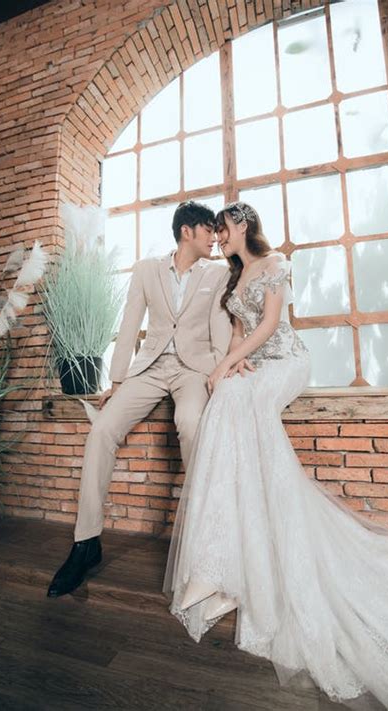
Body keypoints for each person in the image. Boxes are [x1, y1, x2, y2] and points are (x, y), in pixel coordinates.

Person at [163, 201, 388, 711]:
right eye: (214, 230)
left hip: (287, 362)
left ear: (243, 226)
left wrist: (233, 362)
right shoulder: (233, 280)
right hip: (254, 363)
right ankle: (221, 560)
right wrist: (232, 366)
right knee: (226, 398)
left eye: (224, 228)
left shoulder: (274, 263)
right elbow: (238, 333)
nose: (219, 235)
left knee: (240, 400)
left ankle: (256, 541)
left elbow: (272, 325)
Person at [47, 200, 233, 598]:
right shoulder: (147, 269)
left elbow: (220, 325)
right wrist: (116, 379)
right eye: (207, 231)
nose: (214, 239)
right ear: (187, 231)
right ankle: (86, 543)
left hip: (194, 370)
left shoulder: (216, 275)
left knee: (190, 423)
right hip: (149, 368)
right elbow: (130, 322)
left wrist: (219, 372)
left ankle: (205, 539)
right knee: (102, 431)